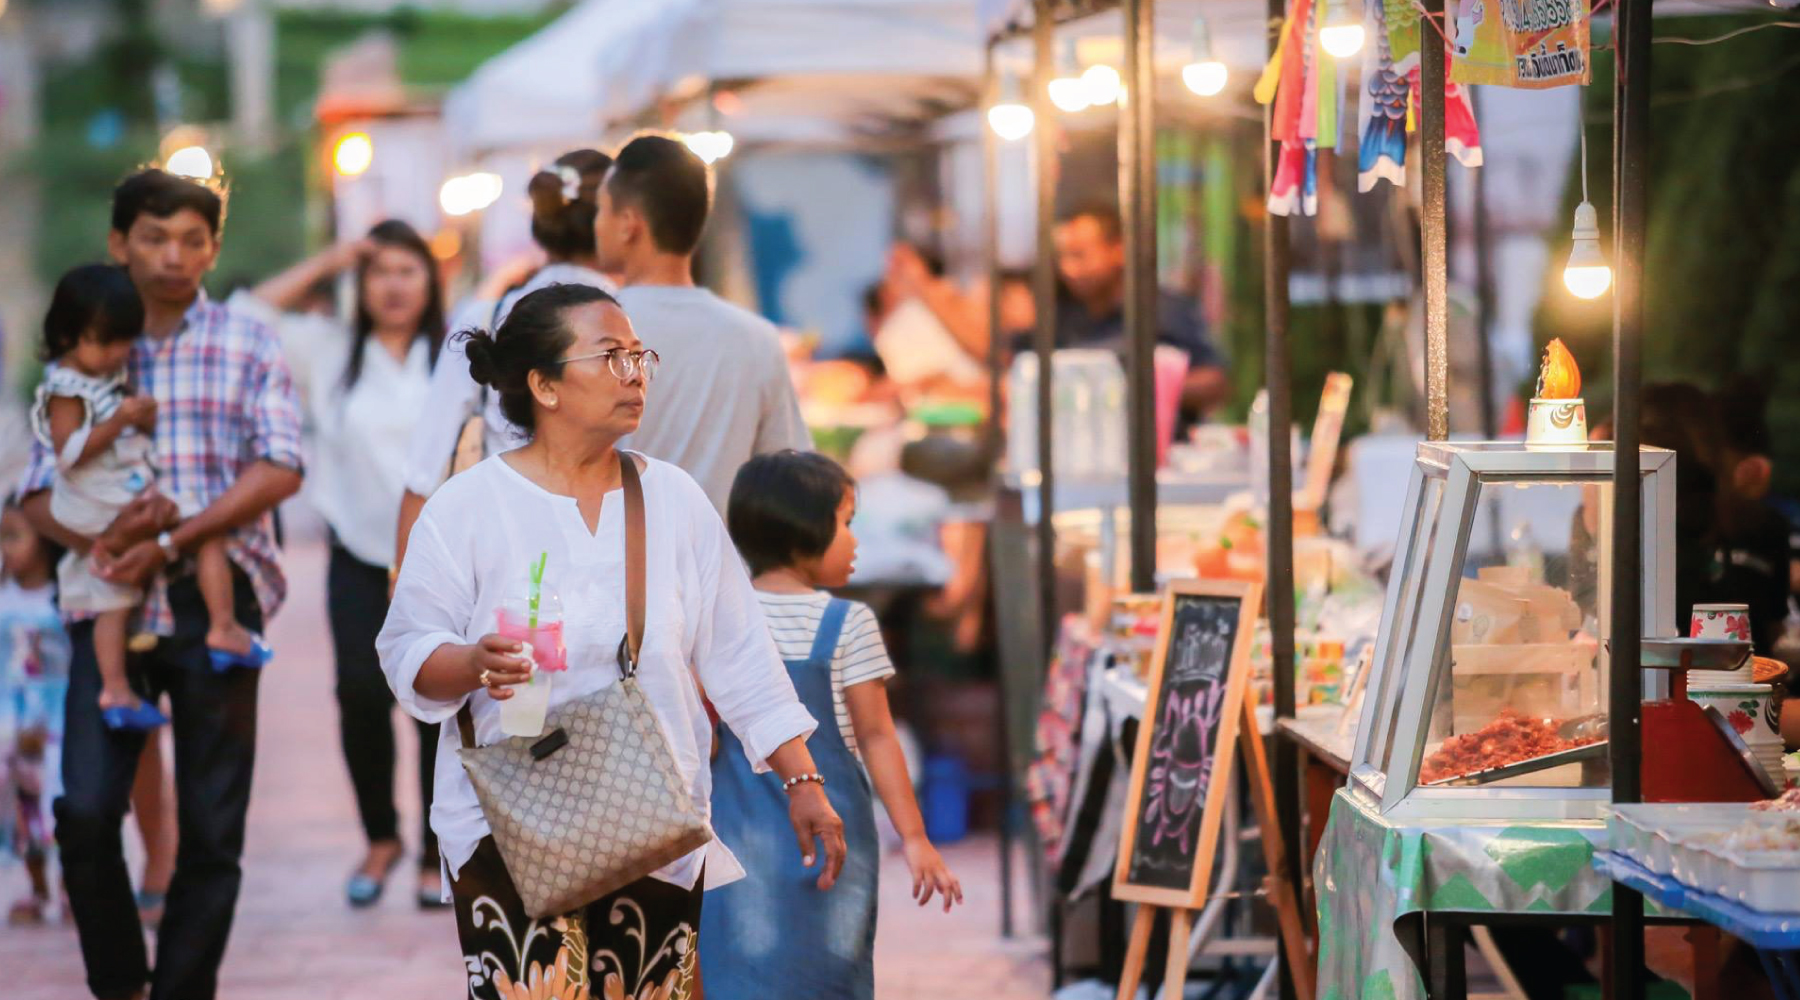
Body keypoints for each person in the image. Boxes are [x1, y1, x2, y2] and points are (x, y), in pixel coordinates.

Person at [377, 283, 846, 999]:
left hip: (652, 820)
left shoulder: (675, 499)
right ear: (544, 385)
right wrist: (472, 663)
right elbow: (407, 650)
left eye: (639, 355)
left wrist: (803, 779)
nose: (636, 374)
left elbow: (737, 653)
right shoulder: (468, 506)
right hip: (509, 825)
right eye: (611, 356)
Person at [17, 168, 304, 1000]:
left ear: (214, 248)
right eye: (153, 236)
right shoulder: (89, 346)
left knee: (213, 830)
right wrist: (108, 544)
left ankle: (181, 990)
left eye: (191, 239)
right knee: (85, 811)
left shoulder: (248, 342)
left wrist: (172, 539)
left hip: (219, 596)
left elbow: (281, 464)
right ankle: (121, 985)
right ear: (119, 242)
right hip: (107, 594)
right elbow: (32, 489)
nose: (173, 256)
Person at [234, 219, 449, 908]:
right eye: (377, 270)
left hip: (442, 560)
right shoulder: (327, 351)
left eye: (406, 270)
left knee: (439, 705)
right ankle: (380, 838)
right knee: (359, 694)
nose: (391, 284)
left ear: (431, 281)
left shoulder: (455, 356)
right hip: (357, 556)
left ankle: (435, 853)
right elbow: (244, 314)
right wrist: (331, 256)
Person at [704, 451, 962, 998]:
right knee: (829, 973)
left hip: (733, 836)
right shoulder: (848, 622)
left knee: (739, 973)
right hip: (831, 841)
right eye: (846, 523)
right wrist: (914, 837)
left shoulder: (717, 618)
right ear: (804, 533)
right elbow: (876, 737)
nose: (855, 541)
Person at [30, 265, 267, 733]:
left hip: (121, 491)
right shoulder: (63, 387)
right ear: (67, 334)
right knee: (204, 521)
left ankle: (116, 689)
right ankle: (223, 628)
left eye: (123, 343)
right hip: (96, 500)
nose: (116, 354)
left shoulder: (101, 378)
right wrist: (119, 422)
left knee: (113, 596)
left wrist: (139, 421)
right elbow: (68, 453)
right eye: (103, 342)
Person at [395, 149, 620, 571]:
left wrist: (402, 582)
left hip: (504, 553)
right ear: (616, 222)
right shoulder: (635, 323)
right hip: (611, 550)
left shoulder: (487, 316)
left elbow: (425, 467)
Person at [594, 132, 813, 512]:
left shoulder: (590, 331)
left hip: (617, 565)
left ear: (629, 223)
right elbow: (790, 471)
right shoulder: (756, 338)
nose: (595, 224)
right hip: (723, 563)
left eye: (601, 210)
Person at [1041, 202, 1229, 417]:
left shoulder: (1164, 309)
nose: (1068, 269)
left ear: (1119, 250)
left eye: (1079, 255)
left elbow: (1215, 382)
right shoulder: (1060, 316)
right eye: (1061, 257)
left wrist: (1132, 389)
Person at [1, 496, 70, 925]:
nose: (5, 548)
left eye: (14, 536)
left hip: (57, 724)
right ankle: (37, 888)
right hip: (13, 723)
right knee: (23, 808)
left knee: (60, 805)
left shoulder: (62, 599)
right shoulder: (3, 600)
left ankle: (68, 891)